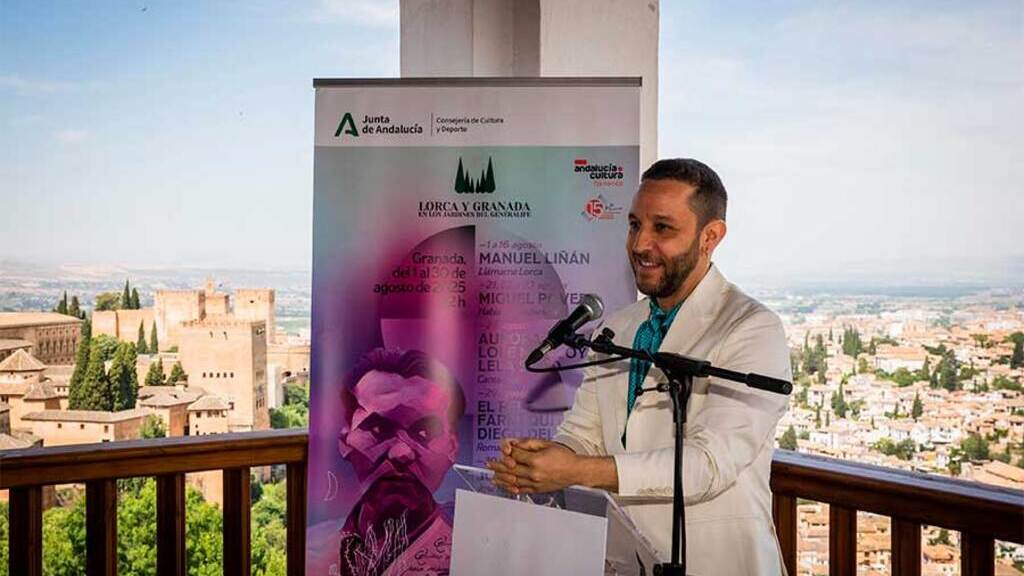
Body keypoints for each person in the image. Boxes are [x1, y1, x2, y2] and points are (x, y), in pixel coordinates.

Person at [487, 158, 791, 575]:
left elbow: (708, 465)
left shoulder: (752, 328)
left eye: (662, 228)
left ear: (711, 236)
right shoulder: (616, 328)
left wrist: (576, 470)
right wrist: (545, 460)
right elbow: (585, 435)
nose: (640, 244)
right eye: (634, 225)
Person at [335, 347, 465, 576]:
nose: (400, 452)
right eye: (377, 429)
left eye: (424, 432)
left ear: (452, 447)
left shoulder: (470, 553)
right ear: (345, 440)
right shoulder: (315, 554)